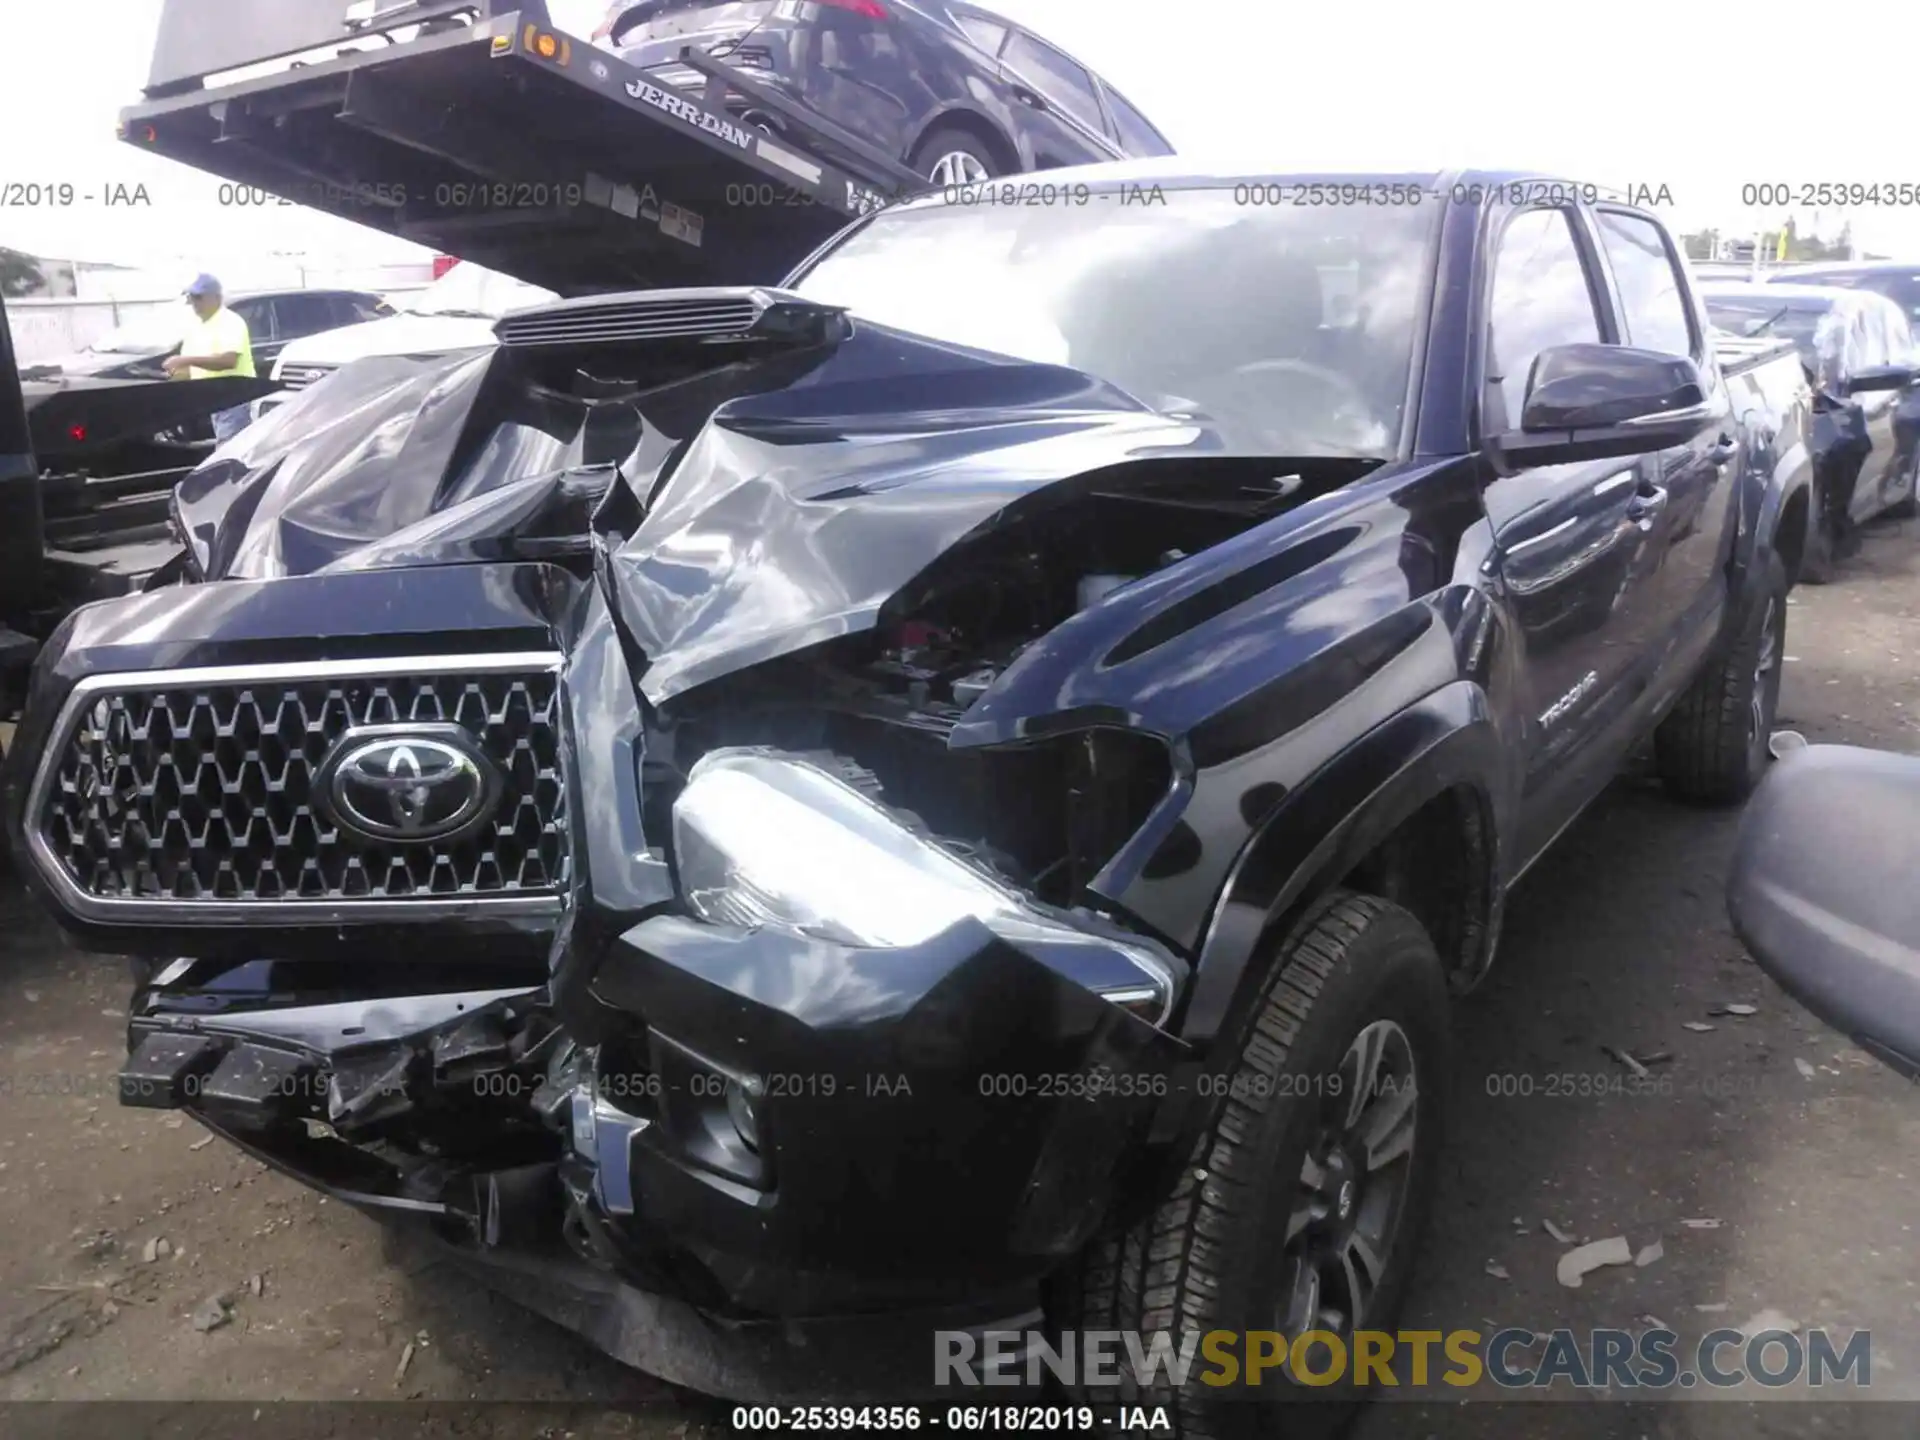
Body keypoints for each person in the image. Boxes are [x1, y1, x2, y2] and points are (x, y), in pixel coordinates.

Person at [162, 274, 255, 443]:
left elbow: (228, 361)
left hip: (233, 398)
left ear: (217, 298)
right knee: (224, 446)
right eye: (191, 297)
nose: (194, 303)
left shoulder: (230, 322)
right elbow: (193, 366)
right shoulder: (198, 326)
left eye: (199, 297)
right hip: (213, 399)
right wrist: (178, 374)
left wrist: (185, 361)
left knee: (229, 449)